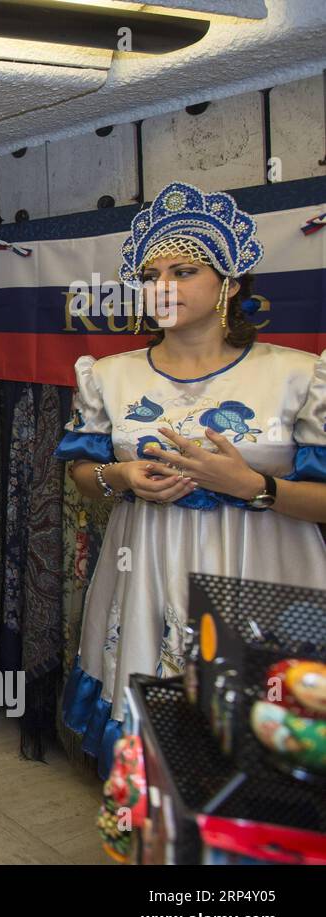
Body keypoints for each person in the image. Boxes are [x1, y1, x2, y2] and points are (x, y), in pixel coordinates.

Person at [55, 181, 326, 776]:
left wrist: (253, 486)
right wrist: (121, 475)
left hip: (263, 569)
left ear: (228, 283)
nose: (163, 288)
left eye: (183, 271)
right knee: (158, 759)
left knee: (267, 759)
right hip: (147, 566)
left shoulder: (298, 376)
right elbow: (82, 477)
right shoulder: (109, 376)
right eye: (152, 275)